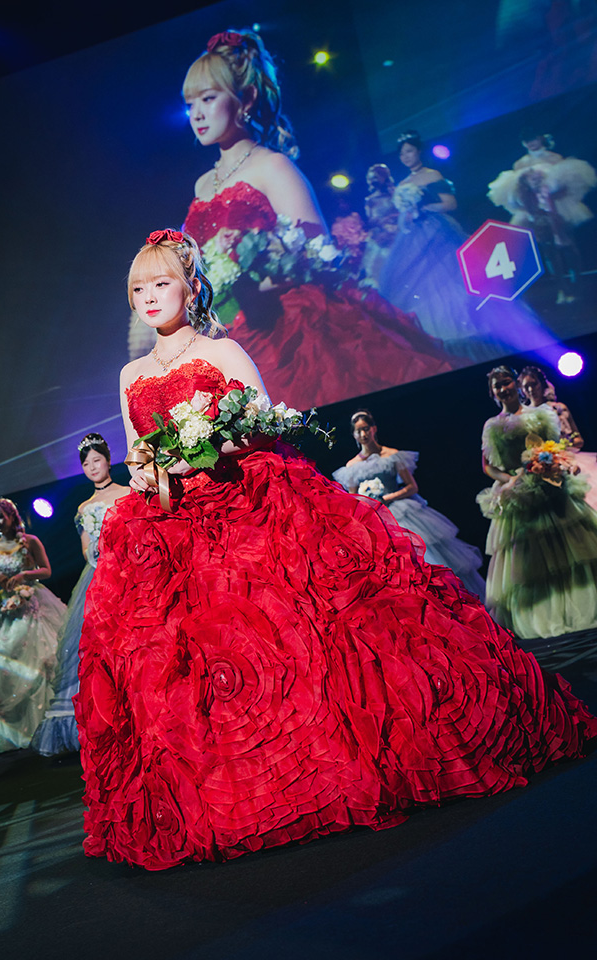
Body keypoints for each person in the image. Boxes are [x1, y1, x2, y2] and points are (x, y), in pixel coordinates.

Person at [74, 229, 597, 871]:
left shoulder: (223, 350)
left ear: (190, 287)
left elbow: (260, 422)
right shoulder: (130, 373)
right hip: (171, 524)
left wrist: (201, 448)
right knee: (195, 666)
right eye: (139, 289)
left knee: (299, 639)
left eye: (162, 283)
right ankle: (237, 795)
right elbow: (136, 451)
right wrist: (149, 472)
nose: (150, 297)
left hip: (246, 506)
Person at [179, 30, 455, 410]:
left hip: (289, 336)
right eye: (190, 104)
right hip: (232, 340)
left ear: (247, 98)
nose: (197, 113)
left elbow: (319, 255)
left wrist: (253, 279)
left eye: (208, 98)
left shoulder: (273, 166)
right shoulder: (201, 184)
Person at [379, 131, 551, 360]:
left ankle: (472, 323)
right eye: (402, 154)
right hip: (413, 236)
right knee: (419, 281)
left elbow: (450, 204)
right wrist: (408, 216)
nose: (406, 157)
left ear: (418, 151)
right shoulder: (403, 183)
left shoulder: (432, 175)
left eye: (409, 151)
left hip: (438, 231)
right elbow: (403, 215)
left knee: (454, 276)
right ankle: (433, 327)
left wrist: (423, 207)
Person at [477, 366, 597, 639]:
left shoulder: (540, 414)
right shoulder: (492, 425)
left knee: (572, 547)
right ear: (492, 393)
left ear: (515, 384)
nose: (503, 389)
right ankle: (546, 613)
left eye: (506, 382)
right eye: (497, 386)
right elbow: (488, 466)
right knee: (532, 558)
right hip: (519, 491)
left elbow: (555, 446)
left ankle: (580, 603)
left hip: (549, 484)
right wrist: (510, 479)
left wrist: (556, 464)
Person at [32, 436, 129, 756]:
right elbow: (86, 549)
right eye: (86, 464)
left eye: (96, 460)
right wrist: (96, 552)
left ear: (108, 460)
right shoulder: (83, 508)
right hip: (99, 576)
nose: (92, 467)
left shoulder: (127, 494)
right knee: (97, 646)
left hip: (128, 568)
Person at [333, 409, 485, 597]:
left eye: (366, 429)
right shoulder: (351, 466)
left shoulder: (392, 455)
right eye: (358, 431)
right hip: (374, 520)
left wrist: (387, 498)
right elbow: (353, 500)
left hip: (400, 511)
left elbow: (412, 487)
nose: (363, 434)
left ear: (374, 429)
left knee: (423, 557)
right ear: (354, 435)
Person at [0, 499, 66, 754]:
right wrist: (0, 581)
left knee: (43, 659)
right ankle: (18, 730)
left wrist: (25, 575)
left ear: (12, 516)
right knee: (5, 664)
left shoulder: (30, 541)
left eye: (0, 516)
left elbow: (46, 570)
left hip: (34, 603)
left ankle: (52, 725)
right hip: (7, 609)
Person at [487, 129, 596, 305]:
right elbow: (516, 192)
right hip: (535, 211)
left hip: (557, 208)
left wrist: (551, 196)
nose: (531, 143)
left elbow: (566, 183)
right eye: (527, 141)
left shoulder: (554, 158)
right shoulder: (520, 164)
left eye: (533, 139)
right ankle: (562, 288)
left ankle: (577, 282)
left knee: (567, 244)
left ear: (540, 139)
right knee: (548, 250)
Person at [517, 365, 597, 513]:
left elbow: (578, 439)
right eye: (526, 386)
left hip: (572, 458)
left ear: (542, 384)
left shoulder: (558, 408)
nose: (531, 389)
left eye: (534, 384)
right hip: (547, 465)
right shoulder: (524, 416)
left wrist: (567, 444)